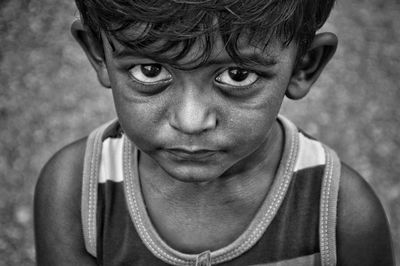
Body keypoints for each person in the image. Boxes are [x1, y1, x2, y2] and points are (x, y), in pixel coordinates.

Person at [34, 0, 394, 265]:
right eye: (149, 70)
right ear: (98, 52)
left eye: (237, 75)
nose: (191, 121)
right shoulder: (74, 191)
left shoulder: (340, 215)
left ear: (304, 65)